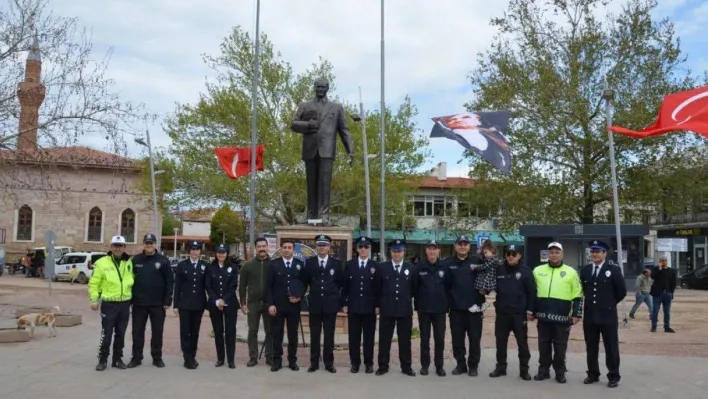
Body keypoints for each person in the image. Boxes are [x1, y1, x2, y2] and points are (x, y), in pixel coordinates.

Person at [532, 242, 582, 384]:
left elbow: (577, 295)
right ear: (547, 254)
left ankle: (560, 372)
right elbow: (532, 293)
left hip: (562, 318)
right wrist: (531, 311)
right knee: (543, 345)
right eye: (551, 252)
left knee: (560, 347)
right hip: (543, 317)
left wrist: (577, 314)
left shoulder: (571, 272)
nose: (554, 255)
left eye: (557, 252)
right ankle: (543, 370)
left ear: (562, 254)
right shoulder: (537, 270)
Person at [579, 240, 627, 388]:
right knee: (591, 347)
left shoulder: (613, 269)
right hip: (590, 315)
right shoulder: (586, 270)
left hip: (608, 316)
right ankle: (592, 374)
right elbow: (583, 290)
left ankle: (613, 375)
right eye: (592, 251)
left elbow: (621, 292)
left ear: (604, 253)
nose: (594, 254)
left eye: (598, 251)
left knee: (611, 347)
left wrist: (609, 304)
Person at [88, 235, 134, 371]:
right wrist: (93, 300)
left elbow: (132, 280)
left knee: (121, 333)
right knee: (106, 333)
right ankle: (102, 359)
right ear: (111, 247)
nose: (117, 248)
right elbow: (94, 283)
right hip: (109, 304)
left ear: (124, 247)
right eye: (115, 245)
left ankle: (117, 359)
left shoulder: (128, 262)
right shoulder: (102, 263)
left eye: (120, 245)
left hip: (125, 303)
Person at [489, 244, 535, 381]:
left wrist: (530, 311)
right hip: (502, 313)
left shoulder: (526, 272)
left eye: (514, 254)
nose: (510, 256)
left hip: (519, 314)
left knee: (522, 343)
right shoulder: (498, 270)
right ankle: (501, 368)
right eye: (508, 253)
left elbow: (532, 293)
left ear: (520, 256)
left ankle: (524, 370)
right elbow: (490, 286)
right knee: (500, 342)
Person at [127, 233, 173, 369]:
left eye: (151, 243)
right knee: (137, 332)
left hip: (157, 304)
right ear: (144, 244)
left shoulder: (163, 261)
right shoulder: (136, 260)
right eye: (147, 243)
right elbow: (129, 280)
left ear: (155, 244)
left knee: (157, 332)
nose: (149, 245)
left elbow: (169, 282)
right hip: (139, 303)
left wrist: (167, 300)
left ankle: (157, 358)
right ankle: (136, 358)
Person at [374, 239, 417, 377]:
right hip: (387, 309)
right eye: (394, 251)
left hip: (404, 310)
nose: (397, 254)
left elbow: (414, 289)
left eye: (399, 251)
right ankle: (382, 366)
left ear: (404, 252)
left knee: (405, 340)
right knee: (384, 340)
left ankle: (406, 367)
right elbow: (377, 288)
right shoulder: (382, 268)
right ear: (390, 252)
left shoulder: (411, 268)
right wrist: (377, 305)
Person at [445, 235, 486, 377]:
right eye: (460, 244)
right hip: (456, 309)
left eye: (465, 244)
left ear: (469, 246)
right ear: (455, 246)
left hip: (474, 309)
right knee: (457, 339)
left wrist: (485, 290)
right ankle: (460, 365)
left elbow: (488, 278)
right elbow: (444, 285)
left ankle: (473, 366)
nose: (462, 246)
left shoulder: (478, 261)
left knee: (474, 339)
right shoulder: (448, 263)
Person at [303, 234, 344, 373]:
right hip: (314, 304)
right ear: (316, 246)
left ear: (329, 247)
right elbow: (306, 282)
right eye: (319, 245)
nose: (321, 247)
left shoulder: (336, 264)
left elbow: (339, 283)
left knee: (329, 335)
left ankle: (329, 363)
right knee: (314, 334)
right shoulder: (309, 263)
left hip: (330, 305)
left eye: (324, 245)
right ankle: (314, 362)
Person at [265, 239, 306, 372]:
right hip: (278, 305)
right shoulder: (274, 265)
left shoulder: (300, 265)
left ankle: (292, 361)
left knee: (293, 335)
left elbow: (304, 284)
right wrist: (270, 304)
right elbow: (268, 286)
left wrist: (299, 296)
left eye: (289, 247)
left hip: (294, 305)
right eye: (284, 247)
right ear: (281, 249)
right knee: (277, 334)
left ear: (293, 250)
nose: (287, 249)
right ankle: (277, 361)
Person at [341, 236, 378, 374]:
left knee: (369, 338)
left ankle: (369, 363)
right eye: (361, 247)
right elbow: (345, 287)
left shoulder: (375, 266)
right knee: (354, 337)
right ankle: (355, 363)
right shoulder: (349, 265)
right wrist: (344, 303)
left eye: (366, 247)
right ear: (357, 249)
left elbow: (378, 288)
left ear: (369, 249)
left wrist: (378, 305)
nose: (363, 249)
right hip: (354, 307)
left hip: (370, 308)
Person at [414, 239, 449, 376]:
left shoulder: (445, 267)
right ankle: (425, 365)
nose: (432, 251)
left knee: (439, 339)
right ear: (426, 250)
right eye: (429, 248)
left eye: (435, 248)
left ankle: (439, 366)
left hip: (440, 309)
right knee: (424, 339)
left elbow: (448, 286)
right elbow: (415, 287)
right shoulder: (419, 267)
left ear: (439, 250)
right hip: (424, 309)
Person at [173, 241, 208, 369]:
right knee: (185, 332)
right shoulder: (182, 265)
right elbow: (177, 287)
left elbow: (208, 286)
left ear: (200, 251)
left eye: (197, 249)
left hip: (198, 305)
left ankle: (192, 355)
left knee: (195, 332)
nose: (194, 252)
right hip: (185, 305)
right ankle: (187, 357)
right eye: (192, 249)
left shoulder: (205, 266)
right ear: (189, 251)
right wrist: (175, 305)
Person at [239, 237, 273, 367]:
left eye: (264, 246)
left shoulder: (273, 264)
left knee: (270, 331)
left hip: (269, 303)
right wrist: (242, 303)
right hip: (253, 303)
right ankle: (253, 357)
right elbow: (242, 286)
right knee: (252, 331)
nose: (262, 249)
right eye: (259, 246)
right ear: (255, 248)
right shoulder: (248, 265)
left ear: (267, 247)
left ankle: (269, 356)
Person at [205, 244, 239, 369]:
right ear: (216, 253)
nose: (221, 255)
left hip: (230, 303)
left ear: (227, 253)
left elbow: (233, 286)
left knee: (230, 332)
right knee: (218, 332)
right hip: (214, 305)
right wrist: (216, 301)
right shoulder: (210, 267)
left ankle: (231, 360)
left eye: (223, 252)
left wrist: (223, 300)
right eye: (219, 252)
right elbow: (208, 286)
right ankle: (220, 358)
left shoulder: (233, 267)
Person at [650, 256, 677, 333]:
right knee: (655, 310)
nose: (663, 262)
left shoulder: (671, 271)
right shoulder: (655, 269)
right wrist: (659, 269)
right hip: (657, 294)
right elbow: (653, 276)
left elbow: (673, 283)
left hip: (667, 294)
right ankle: (654, 326)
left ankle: (667, 327)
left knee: (667, 312)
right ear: (659, 261)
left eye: (665, 260)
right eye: (662, 260)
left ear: (667, 261)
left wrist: (671, 293)